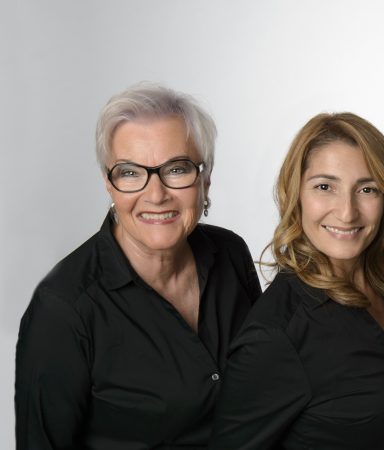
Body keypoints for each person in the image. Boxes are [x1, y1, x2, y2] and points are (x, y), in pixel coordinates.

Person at [15, 83, 261, 448]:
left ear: (205, 179)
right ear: (109, 184)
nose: (156, 194)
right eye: (130, 173)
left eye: (176, 169)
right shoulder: (64, 309)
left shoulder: (230, 253)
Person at [209, 112, 384, 449]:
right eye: (325, 187)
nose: (347, 212)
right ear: (296, 193)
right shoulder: (276, 336)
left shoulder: (382, 289)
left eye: (367, 189)